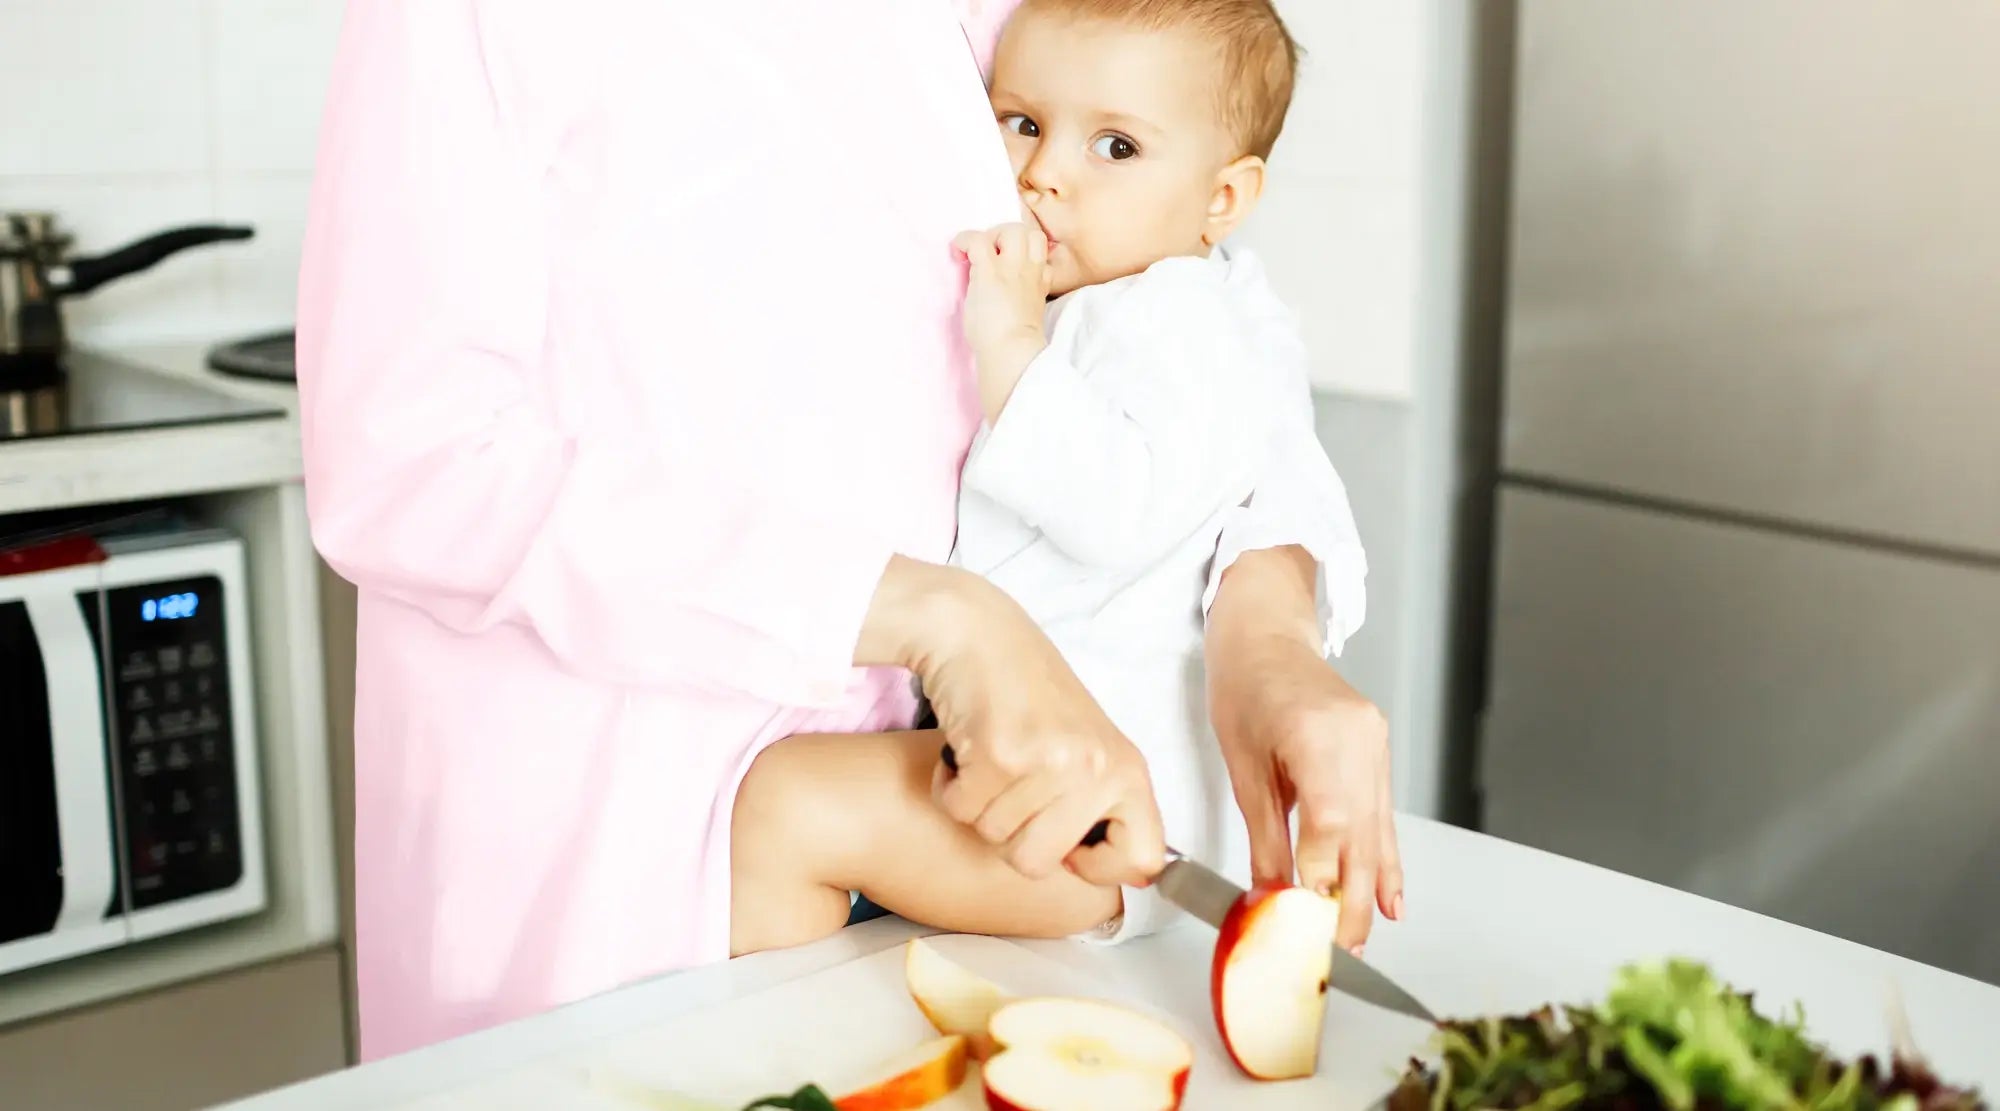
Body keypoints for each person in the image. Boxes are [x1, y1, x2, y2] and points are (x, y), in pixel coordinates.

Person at [297, 0, 1402, 1062]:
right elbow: (412, 461)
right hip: (617, 841)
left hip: (956, 823)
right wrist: (933, 617)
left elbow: (1198, 327)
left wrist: (1266, 628)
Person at [730, 0, 1361, 952]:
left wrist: (1015, 345)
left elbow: (1120, 507)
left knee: (788, 805)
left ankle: (759, 1070)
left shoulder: (1181, 322)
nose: (1042, 175)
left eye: (1115, 148)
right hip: (1059, 766)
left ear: (1222, 200)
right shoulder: (1121, 300)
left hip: (1108, 794)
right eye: (1021, 122)